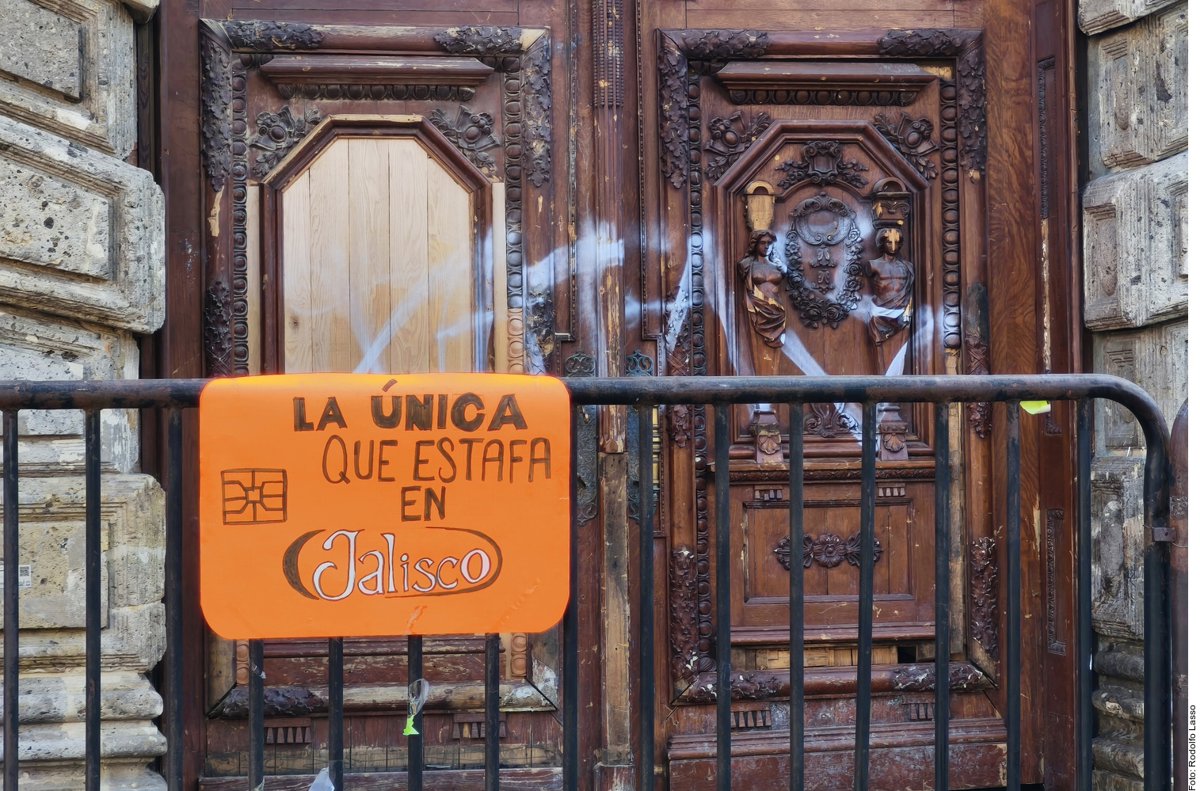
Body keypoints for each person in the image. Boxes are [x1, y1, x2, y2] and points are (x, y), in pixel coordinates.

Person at [865, 227, 914, 345]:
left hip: (901, 312)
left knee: (901, 348)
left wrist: (909, 308)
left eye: (896, 242)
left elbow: (911, 290)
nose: (893, 246)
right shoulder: (873, 265)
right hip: (880, 312)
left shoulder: (908, 267)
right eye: (889, 242)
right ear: (882, 243)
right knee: (880, 348)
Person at [737, 229, 786, 348]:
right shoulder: (746, 265)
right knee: (753, 346)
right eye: (762, 243)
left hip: (776, 311)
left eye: (769, 243)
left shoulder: (779, 267)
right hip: (756, 308)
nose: (766, 246)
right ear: (755, 244)